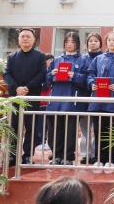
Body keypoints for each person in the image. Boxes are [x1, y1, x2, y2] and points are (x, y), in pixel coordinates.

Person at [46, 32, 90, 165]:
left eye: (73, 42)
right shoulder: (57, 60)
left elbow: (86, 81)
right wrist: (51, 74)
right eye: (67, 42)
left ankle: (68, 156)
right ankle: (56, 155)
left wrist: (74, 75)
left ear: (77, 44)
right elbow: (46, 81)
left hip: (72, 101)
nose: (69, 44)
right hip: (56, 101)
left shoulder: (83, 60)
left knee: (70, 131)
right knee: (55, 129)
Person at [3, 28, 46, 166]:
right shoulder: (12, 57)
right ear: (19, 39)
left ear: (33, 40)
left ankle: (28, 155)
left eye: (28, 36)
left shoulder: (40, 56)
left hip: (32, 97)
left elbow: (42, 74)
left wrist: (27, 87)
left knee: (31, 127)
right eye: (22, 36)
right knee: (14, 127)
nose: (25, 39)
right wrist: (16, 88)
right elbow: (7, 74)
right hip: (15, 97)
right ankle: (13, 155)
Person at [87, 31, 114, 168]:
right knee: (98, 131)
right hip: (97, 101)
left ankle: (112, 160)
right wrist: (91, 83)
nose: (111, 42)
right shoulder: (98, 59)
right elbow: (90, 74)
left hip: (113, 102)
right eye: (109, 40)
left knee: (113, 132)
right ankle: (100, 159)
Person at [79, 33, 102, 165]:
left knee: (98, 127)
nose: (93, 43)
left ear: (100, 43)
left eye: (96, 41)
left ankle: (96, 153)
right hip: (84, 95)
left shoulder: (103, 57)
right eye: (90, 41)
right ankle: (86, 153)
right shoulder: (82, 58)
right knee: (85, 128)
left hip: (99, 97)